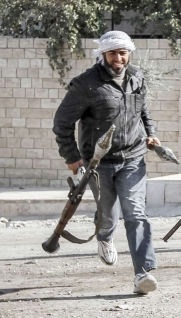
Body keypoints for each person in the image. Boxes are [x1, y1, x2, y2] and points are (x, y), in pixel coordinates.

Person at [52, 31, 160, 295]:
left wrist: (151, 132)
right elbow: (62, 123)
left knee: (135, 212)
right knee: (109, 215)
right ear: (102, 54)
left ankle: (143, 273)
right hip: (98, 163)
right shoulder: (85, 85)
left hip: (133, 157)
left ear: (129, 53)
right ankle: (104, 236)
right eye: (112, 53)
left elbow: (143, 108)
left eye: (123, 53)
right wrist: (72, 157)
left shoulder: (136, 77)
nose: (118, 58)